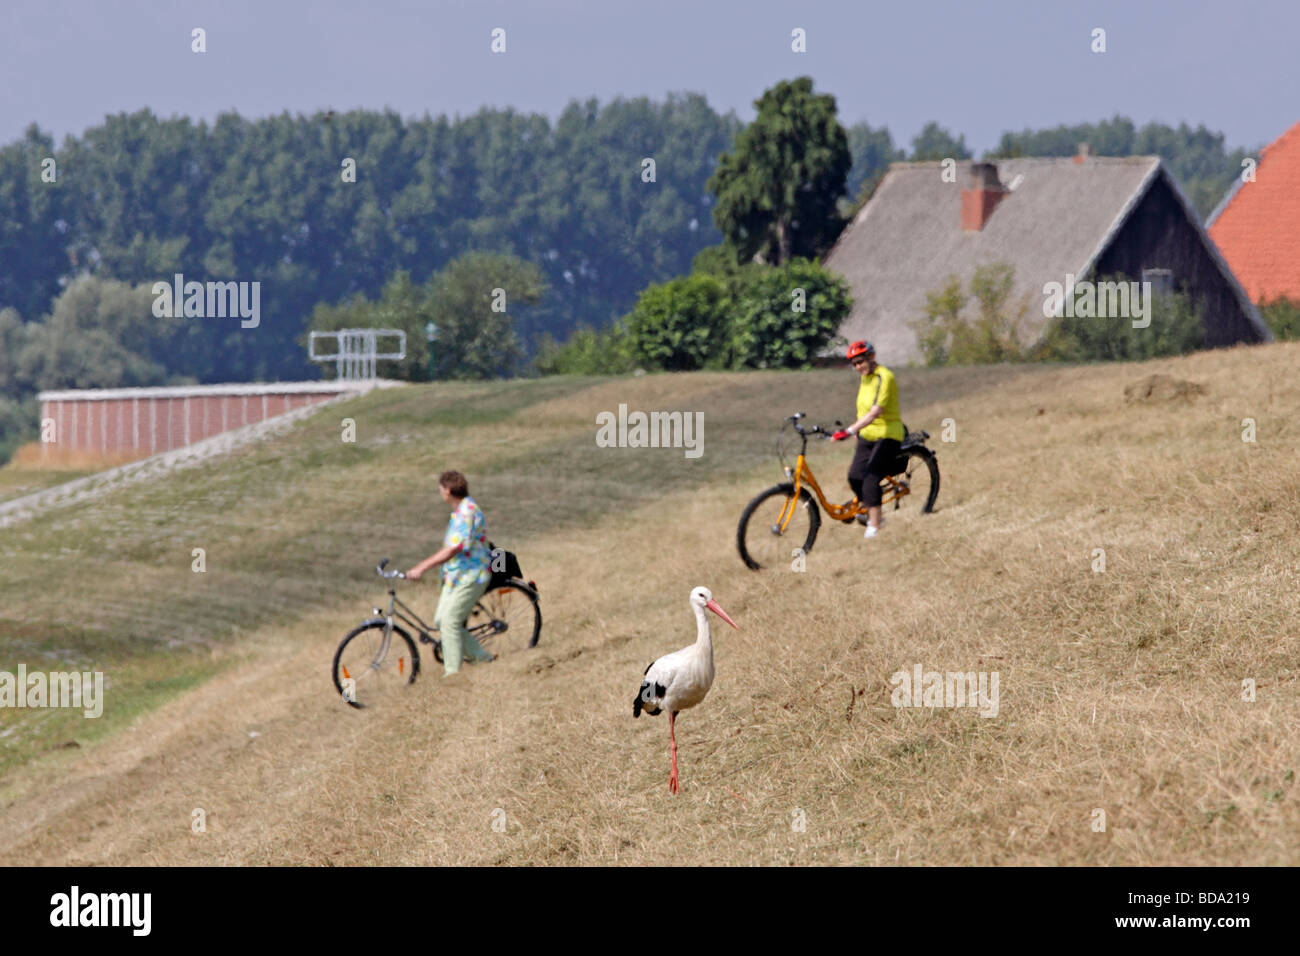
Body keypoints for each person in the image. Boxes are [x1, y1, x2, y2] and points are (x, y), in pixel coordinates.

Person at [406, 470, 496, 675]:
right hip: (456, 576)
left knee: (449, 621)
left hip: (472, 575)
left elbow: (453, 549)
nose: (440, 493)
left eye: (440, 489)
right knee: (441, 620)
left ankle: (452, 673)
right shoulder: (460, 510)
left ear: (448, 490)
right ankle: (482, 657)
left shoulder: (467, 512)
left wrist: (421, 567)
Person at [831, 341, 904, 539]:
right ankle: (873, 508)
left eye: (860, 362)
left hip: (888, 434)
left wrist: (849, 430)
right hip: (866, 434)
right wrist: (856, 432)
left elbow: (875, 412)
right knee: (855, 476)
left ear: (871, 357)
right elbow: (863, 409)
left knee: (870, 477)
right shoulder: (865, 378)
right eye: (854, 364)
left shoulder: (884, 377)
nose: (858, 367)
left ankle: (875, 525)